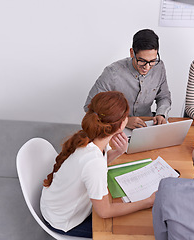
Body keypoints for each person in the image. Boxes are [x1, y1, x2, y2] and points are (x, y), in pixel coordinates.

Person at [41, 91, 155, 238]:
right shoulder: (93, 162)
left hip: (55, 205)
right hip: (62, 221)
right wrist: (148, 201)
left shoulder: (90, 137)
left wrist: (118, 152)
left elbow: (93, 168)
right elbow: (105, 211)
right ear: (121, 125)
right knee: (132, 230)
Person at [84, 29, 172, 129]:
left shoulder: (159, 67)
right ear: (132, 53)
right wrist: (123, 121)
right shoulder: (112, 73)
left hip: (146, 125)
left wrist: (161, 114)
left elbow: (164, 96)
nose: (147, 67)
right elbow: (90, 107)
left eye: (152, 61)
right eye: (142, 61)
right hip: (117, 128)